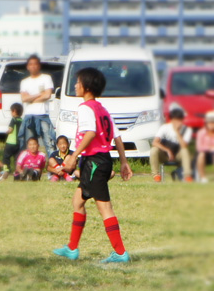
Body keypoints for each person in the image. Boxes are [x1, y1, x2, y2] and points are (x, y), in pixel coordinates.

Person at [53, 67, 133, 264]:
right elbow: (117, 136)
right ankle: (72, 248)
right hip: (101, 160)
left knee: (105, 207)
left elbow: (90, 133)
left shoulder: (86, 108)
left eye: (78, 82)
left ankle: (121, 253)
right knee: (77, 201)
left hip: (94, 162)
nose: (75, 85)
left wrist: (73, 157)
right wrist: (123, 162)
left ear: (86, 86)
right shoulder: (102, 109)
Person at [17, 55, 56, 157]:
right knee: (29, 144)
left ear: (39, 66)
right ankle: (29, 166)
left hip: (43, 115)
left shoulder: (46, 78)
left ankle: (55, 166)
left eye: (35, 64)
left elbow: (47, 95)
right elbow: (24, 98)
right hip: (29, 116)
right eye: (31, 64)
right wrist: (39, 94)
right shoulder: (24, 82)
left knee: (49, 142)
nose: (33, 66)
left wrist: (31, 99)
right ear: (27, 67)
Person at [150, 108, 193, 182]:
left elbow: (184, 146)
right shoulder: (165, 128)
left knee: (185, 151)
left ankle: (187, 176)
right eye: (175, 120)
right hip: (165, 154)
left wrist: (177, 132)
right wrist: (167, 150)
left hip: (178, 154)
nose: (177, 122)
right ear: (172, 120)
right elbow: (155, 142)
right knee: (154, 150)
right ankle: (156, 175)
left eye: (179, 120)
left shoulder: (187, 129)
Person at [0, 103, 24, 180]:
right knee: (17, 158)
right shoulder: (22, 120)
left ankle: (6, 170)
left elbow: (10, 130)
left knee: (6, 156)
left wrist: (5, 133)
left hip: (11, 142)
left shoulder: (13, 120)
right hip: (19, 142)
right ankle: (17, 171)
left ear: (14, 111)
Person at [195, 110, 214, 183]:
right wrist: (210, 148)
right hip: (205, 155)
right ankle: (203, 177)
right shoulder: (201, 133)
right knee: (201, 155)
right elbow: (199, 147)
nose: (211, 125)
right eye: (210, 123)